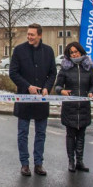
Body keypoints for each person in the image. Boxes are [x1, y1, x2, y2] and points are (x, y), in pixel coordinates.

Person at [9, 23, 57, 176]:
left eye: (32, 34)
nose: (29, 37)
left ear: (40, 35)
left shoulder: (48, 51)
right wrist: (27, 86)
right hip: (24, 98)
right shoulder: (19, 50)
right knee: (23, 133)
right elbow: (13, 73)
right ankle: (24, 164)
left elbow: (52, 73)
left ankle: (38, 163)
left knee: (41, 133)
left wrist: (46, 88)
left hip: (41, 101)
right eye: (28, 34)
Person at [54, 42, 93, 173]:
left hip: (84, 107)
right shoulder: (65, 68)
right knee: (70, 135)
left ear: (81, 51)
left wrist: (91, 92)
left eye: (76, 51)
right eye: (71, 52)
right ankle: (71, 161)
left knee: (81, 135)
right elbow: (57, 86)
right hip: (70, 107)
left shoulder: (88, 68)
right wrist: (62, 91)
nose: (74, 54)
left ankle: (80, 161)